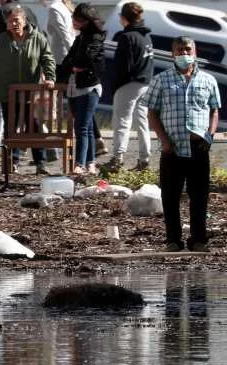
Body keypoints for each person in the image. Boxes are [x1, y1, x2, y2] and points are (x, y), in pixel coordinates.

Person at [145, 37, 220, 252]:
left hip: (198, 147)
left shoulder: (208, 80)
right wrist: (164, 141)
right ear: (172, 54)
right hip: (172, 149)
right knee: (170, 197)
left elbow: (214, 110)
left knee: (199, 197)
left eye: (188, 49)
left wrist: (210, 135)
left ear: (195, 52)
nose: (184, 53)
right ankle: (173, 241)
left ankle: (198, 240)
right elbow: (152, 112)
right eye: (179, 50)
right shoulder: (161, 80)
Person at [0, 5, 57, 175]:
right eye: (10, 21)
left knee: (33, 127)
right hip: (7, 92)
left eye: (16, 20)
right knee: (12, 128)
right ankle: (13, 161)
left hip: (30, 91)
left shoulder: (38, 38)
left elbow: (47, 59)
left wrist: (49, 77)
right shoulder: (0, 40)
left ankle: (40, 162)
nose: (13, 24)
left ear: (24, 21)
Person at [57, 3, 105, 174]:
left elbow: (87, 61)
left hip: (89, 87)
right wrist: (74, 66)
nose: (72, 21)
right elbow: (68, 62)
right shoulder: (80, 38)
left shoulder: (95, 39)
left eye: (75, 19)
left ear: (84, 21)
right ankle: (90, 163)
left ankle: (79, 164)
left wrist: (76, 65)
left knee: (81, 127)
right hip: (75, 87)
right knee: (88, 128)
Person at [106, 2, 153, 171]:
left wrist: (116, 84)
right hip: (145, 83)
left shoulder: (126, 37)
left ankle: (117, 158)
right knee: (142, 122)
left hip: (128, 84)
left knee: (122, 121)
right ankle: (144, 159)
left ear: (123, 18)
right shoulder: (146, 36)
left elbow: (122, 66)